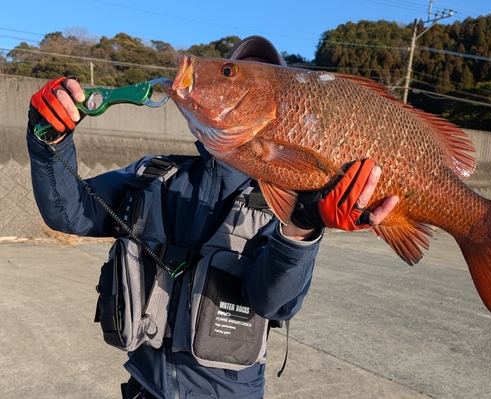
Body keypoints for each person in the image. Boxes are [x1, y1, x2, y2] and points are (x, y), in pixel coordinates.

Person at [26, 36, 398, 399]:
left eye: (226, 73)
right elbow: (68, 213)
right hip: (143, 387)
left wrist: (302, 228)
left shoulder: (288, 202)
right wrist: (49, 141)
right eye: (230, 70)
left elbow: (273, 302)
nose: (210, 74)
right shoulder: (154, 175)